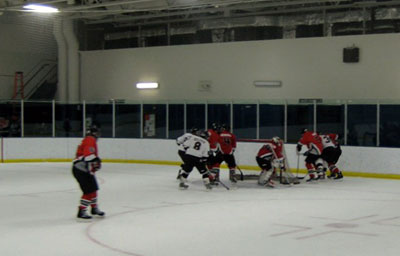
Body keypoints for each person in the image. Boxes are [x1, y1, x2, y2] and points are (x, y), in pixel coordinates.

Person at [72, 126, 105, 220]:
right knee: (89, 191)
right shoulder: (90, 139)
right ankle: (82, 211)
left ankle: (94, 208)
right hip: (81, 169)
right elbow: (88, 155)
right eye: (97, 133)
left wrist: (94, 165)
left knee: (93, 189)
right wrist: (96, 160)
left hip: (84, 169)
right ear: (94, 133)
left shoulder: (88, 139)